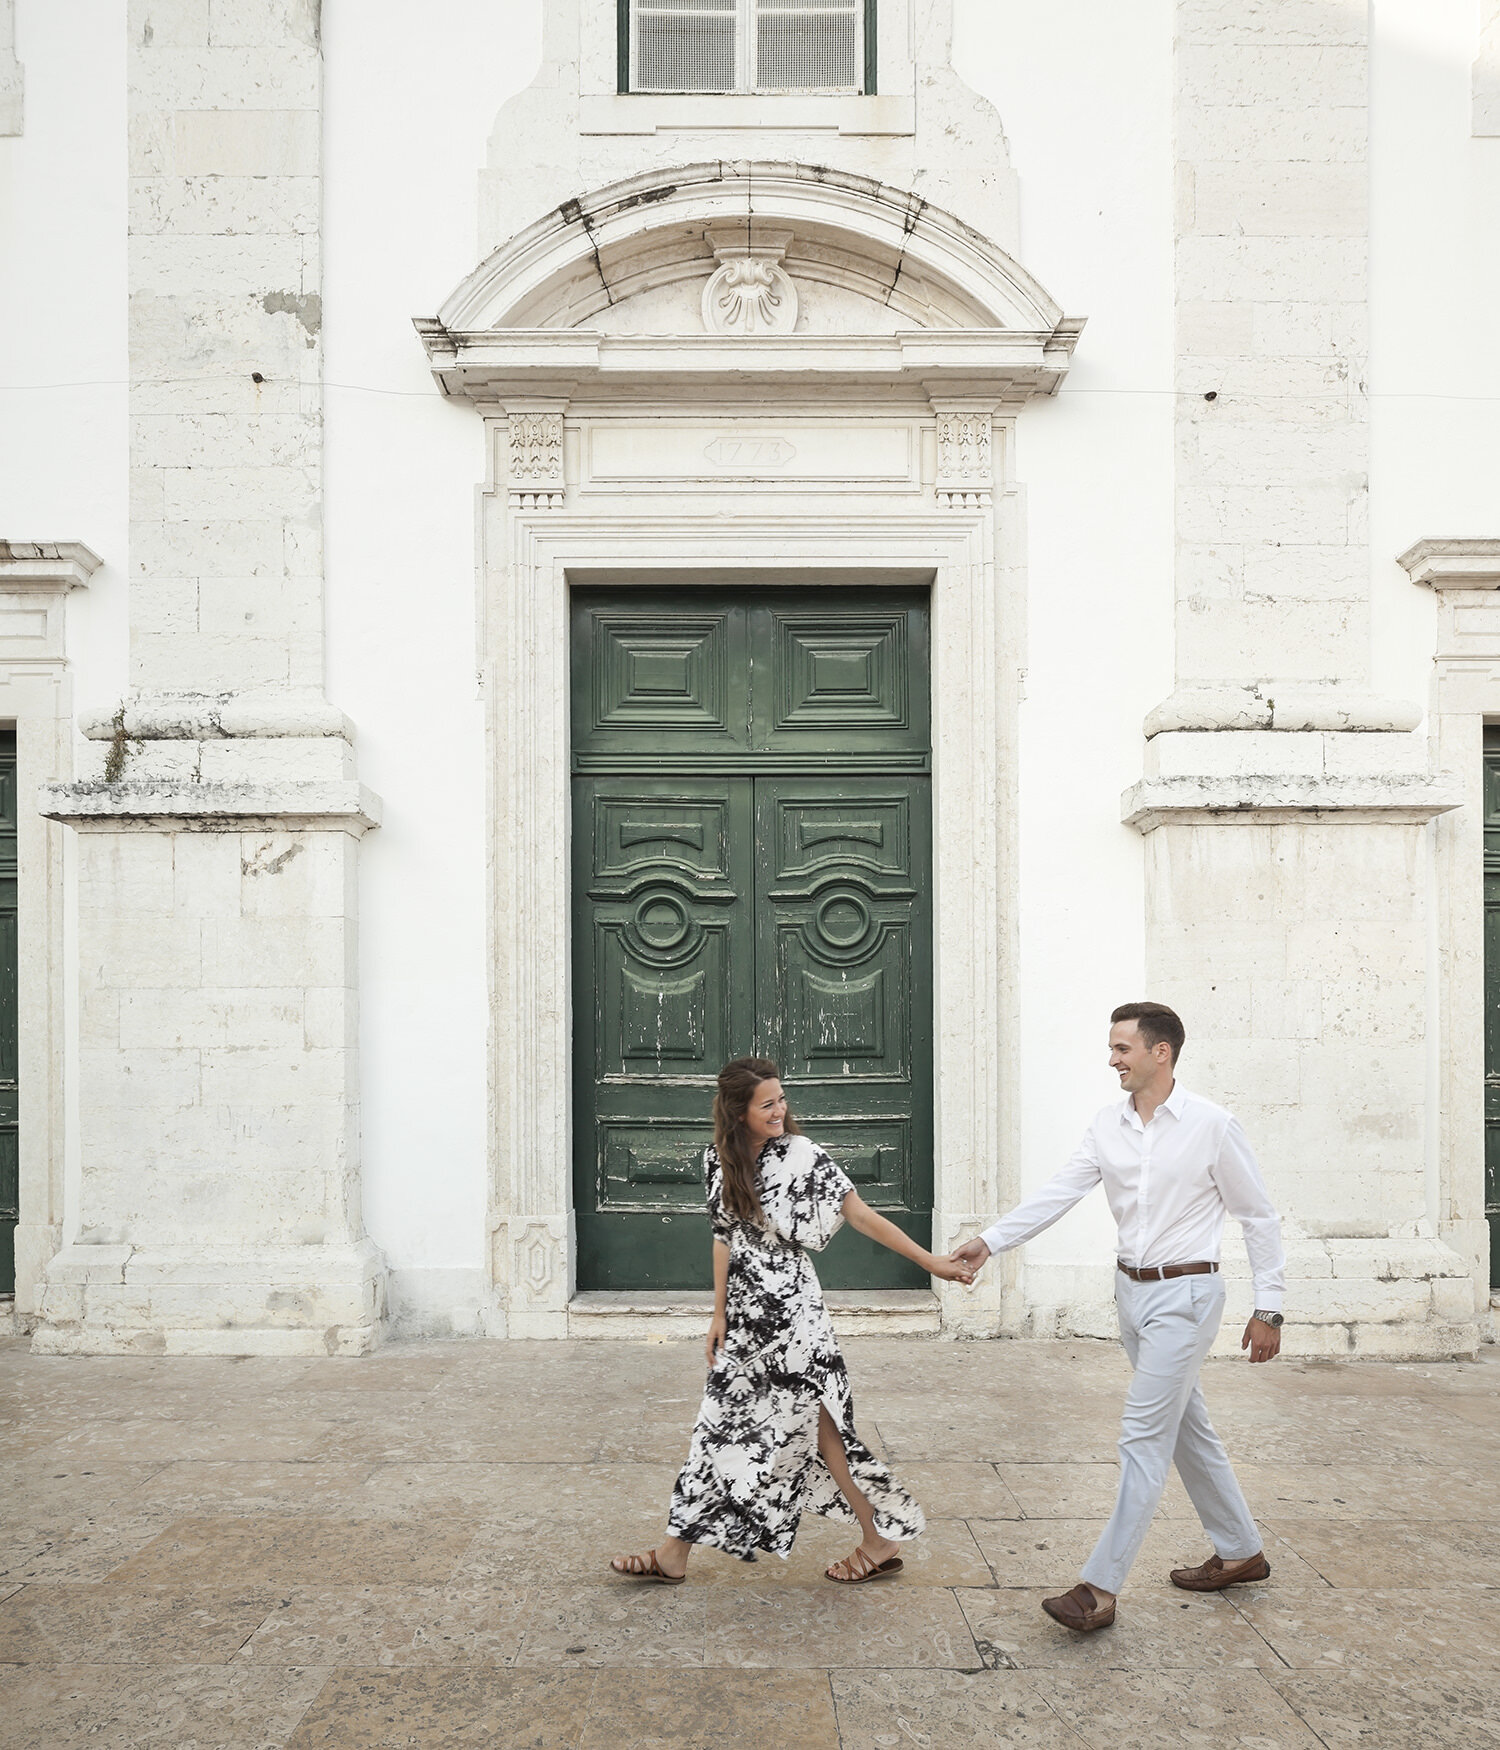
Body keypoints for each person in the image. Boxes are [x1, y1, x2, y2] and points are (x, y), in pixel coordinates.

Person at [951, 1001, 1285, 1634]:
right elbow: (1060, 1191)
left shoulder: (1214, 1125)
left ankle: (1098, 1588)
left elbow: (1258, 1217)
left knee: (1142, 1437)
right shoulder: (1109, 1124)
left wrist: (1269, 1306)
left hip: (1187, 1299)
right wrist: (990, 1241)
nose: (1112, 1060)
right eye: (1112, 1048)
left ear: (1160, 1052)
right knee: (1187, 1430)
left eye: (1122, 1048)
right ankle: (1241, 1551)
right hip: (1131, 1296)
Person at [610, 1055, 975, 1585]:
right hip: (744, 1322)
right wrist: (717, 1313)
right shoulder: (718, 1161)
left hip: (795, 1318)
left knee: (827, 1433)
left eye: (782, 1099)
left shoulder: (805, 1156)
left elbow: (860, 1214)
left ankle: (878, 1538)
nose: (780, 1110)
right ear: (738, 1113)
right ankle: (674, 1553)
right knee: (720, 1428)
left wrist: (931, 1262)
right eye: (768, 1104)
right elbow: (724, 1238)